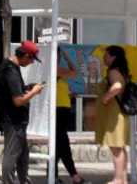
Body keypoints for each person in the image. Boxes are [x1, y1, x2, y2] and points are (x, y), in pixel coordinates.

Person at [0, 40, 43, 184]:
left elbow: (14, 92)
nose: (31, 62)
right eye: (31, 59)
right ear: (25, 55)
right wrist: (34, 92)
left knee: (23, 156)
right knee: (11, 156)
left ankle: (24, 181)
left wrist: (28, 88)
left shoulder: (12, 68)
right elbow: (18, 101)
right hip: (14, 121)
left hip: (17, 122)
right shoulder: (11, 71)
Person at [95, 45, 130, 184]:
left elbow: (117, 86)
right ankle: (123, 179)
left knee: (116, 148)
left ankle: (117, 179)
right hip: (118, 114)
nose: (104, 58)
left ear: (113, 57)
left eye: (106, 55)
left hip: (114, 115)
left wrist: (105, 98)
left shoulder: (113, 71)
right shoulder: (121, 71)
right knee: (120, 147)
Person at [56, 49, 86, 184]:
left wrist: (68, 94)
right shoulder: (55, 69)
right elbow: (74, 71)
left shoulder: (58, 72)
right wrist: (67, 56)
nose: (58, 58)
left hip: (63, 108)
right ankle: (74, 176)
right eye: (57, 56)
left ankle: (55, 175)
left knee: (59, 144)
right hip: (58, 109)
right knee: (62, 143)